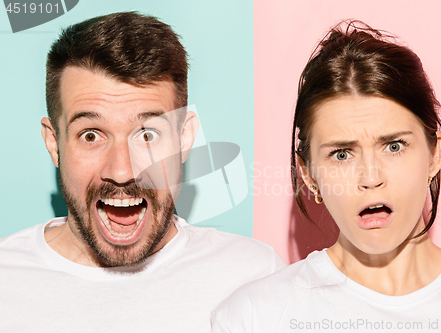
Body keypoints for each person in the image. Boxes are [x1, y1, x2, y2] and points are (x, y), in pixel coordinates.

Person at [0, 12, 285, 332]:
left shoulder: (254, 277)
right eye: (91, 135)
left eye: (147, 135)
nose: (122, 171)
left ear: (184, 137)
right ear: (54, 143)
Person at [212, 21, 441, 332]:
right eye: (342, 154)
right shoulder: (255, 317)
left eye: (393, 146)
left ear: (434, 155)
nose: (370, 177)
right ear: (308, 174)